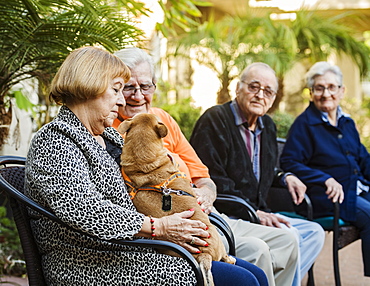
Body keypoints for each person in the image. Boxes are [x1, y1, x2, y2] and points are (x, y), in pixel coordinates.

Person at [24, 46, 267, 286]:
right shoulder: (55, 140)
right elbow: (86, 210)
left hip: (129, 250)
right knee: (243, 281)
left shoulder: (109, 136)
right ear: (90, 86)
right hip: (89, 264)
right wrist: (159, 227)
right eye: (117, 90)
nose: (122, 101)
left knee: (255, 275)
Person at [113, 47, 298, 286]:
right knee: (257, 250)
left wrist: (206, 194)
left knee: (288, 240)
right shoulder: (115, 129)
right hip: (172, 225)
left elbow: (203, 176)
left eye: (146, 86)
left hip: (206, 213)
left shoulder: (163, 120)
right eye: (129, 87)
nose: (138, 96)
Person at [190, 62, 326, 286]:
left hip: (259, 212)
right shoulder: (215, 120)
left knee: (314, 232)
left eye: (268, 91)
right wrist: (255, 212)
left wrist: (284, 176)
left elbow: (261, 170)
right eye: (254, 87)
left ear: (273, 98)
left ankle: (276, 280)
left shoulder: (267, 126)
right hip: (230, 214)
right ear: (238, 88)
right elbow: (211, 178)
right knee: (288, 239)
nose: (260, 95)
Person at [280, 61, 370, 277]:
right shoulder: (304, 124)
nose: (326, 93)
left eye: (331, 87)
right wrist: (325, 178)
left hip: (355, 191)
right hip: (326, 197)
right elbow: (290, 162)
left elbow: (364, 160)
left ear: (341, 91)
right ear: (311, 93)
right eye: (319, 88)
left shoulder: (346, 123)